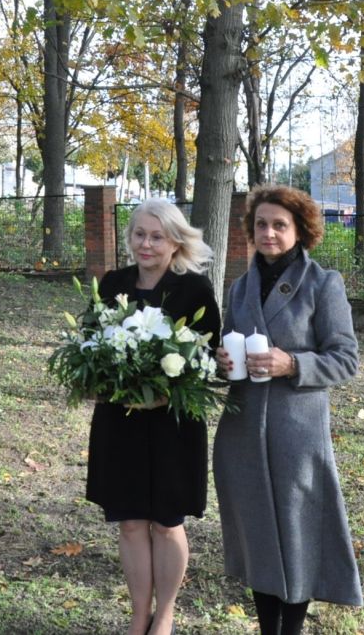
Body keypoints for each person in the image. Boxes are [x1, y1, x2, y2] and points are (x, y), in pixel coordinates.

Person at [213, 184, 364, 635]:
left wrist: (293, 363)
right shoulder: (240, 288)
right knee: (258, 538)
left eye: (280, 225)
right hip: (241, 433)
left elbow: (346, 359)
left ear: (300, 230)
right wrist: (222, 363)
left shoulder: (323, 283)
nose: (269, 233)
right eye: (261, 224)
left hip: (297, 433)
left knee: (297, 537)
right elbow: (226, 350)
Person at [86, 199, 221, 635]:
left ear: (175, 241)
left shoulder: (194, 290)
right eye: (139, 234)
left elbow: (208, 362)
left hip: (172, 425)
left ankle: (165, 615)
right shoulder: (113, 284)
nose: (146, 244)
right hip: (119, 421)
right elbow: (91, 345)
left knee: (166, 522)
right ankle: (138, 613)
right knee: (129, 522)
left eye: (157, 236)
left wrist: (165, 394)